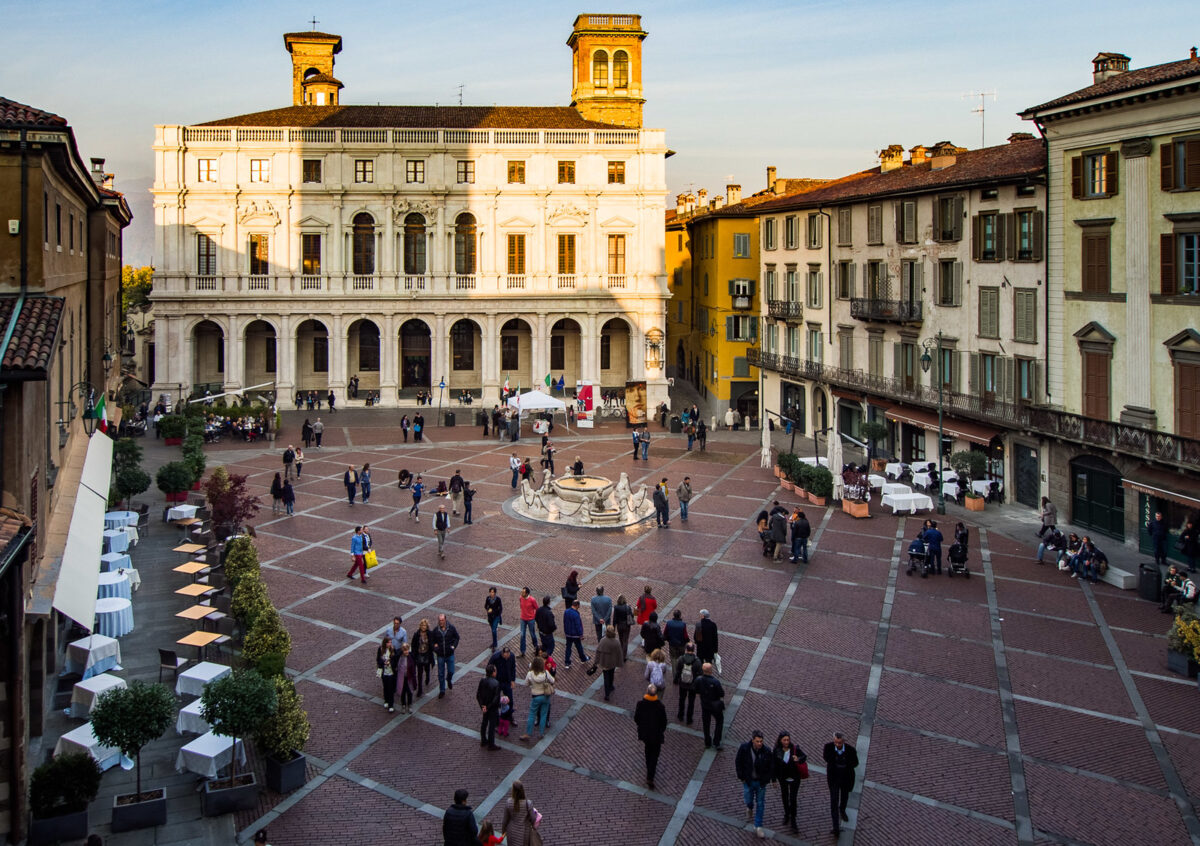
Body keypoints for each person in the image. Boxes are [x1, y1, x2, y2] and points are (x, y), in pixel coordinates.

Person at [737, 730, 775, 838]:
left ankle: (758, 826)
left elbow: (771, 766)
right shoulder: (744, 748)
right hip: (748, 781)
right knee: (748, 798)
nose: (759, 743)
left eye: (761, 741)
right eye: (757, 741)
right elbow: (738, 762)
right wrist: (741, 777)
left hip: (760, 782)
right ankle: (749, 807)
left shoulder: (767, 751)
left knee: (760, 803)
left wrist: (767, 779)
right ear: (753, 740)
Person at [634, 683, 668, 790]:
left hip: (645, 734)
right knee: (655, 754)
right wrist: (661, 730)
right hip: (656, 735)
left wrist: (641, 726)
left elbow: (636, 718)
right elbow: (664, 722)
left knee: (648, 750)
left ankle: (649, 768)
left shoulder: (640, 704)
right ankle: (650, 775)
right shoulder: (660, 706)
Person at [824, 732, 859, 836]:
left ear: (843, 741)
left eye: (839, 743)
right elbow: (826, 758)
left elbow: (855, 763)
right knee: (833, 801)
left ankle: (842, 810)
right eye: (835, 742)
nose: (837, 745)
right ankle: (835, 827)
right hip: (834, 779)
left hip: (845, 779)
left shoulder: (851, 750)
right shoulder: (828, 747)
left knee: (844, 796)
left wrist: (846, 763)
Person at [773, 731, 807, 833]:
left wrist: (798, 759)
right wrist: (774, 779)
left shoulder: (795, 749)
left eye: (788, 740)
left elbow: (804, 757)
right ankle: (786, 814)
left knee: (793, 798)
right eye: (784, 740)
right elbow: (774, 765)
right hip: (783, 778)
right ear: (780, 740)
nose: (787, 742)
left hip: (794, 778)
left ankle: (793, 819)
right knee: (784, 796)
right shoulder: (776, 750)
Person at [520, 657, 555, 741]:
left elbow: (526, 683)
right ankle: (541, 733)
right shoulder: (546, 673)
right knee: (543, 715)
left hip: (536, 697)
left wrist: (532, 686)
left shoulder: (530, 673)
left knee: (532, 714)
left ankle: (528, 733)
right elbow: (553, 680)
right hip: (545, 696)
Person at [693, 662, 725, 749]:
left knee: (706, 724)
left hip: (705, 705)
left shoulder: (698, 680)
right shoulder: (715, 682)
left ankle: (707, 742)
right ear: (711, 671)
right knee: (719, 721)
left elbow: (695, 689)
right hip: (715, 706)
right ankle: (716, 742)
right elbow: (721, 693)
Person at [500, 780, 541, 846]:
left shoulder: (508, 802)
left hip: (511, 832)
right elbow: (533, 818)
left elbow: (505, 820)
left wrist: (503, 831)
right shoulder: (528, 803)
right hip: (525, 832)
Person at [431, 613, 460, 698]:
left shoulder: (451, 628)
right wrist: (435, 648)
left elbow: (457, 637)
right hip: (440, 655)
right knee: (440, 674)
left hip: (449, 654)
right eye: (440, 620)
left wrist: (453, 646)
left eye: (442, 620)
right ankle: (442, 690)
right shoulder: (436, 630)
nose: (441, 622)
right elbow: (432, 641)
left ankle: (449, 679)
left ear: (445, 620)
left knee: (451, 671)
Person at [593, 625, 623, 701]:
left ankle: (607, 694)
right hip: (612, 663)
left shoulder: (603, 641)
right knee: (611, 674)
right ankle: (611, 686)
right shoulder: (616, 642)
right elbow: (619, 654)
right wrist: (620, 663)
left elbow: (598, 652)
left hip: (604, 663)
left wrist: (596, 662)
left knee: (606, 677)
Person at [476, 664, 501, 750]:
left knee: (484, 723)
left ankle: (483, 740)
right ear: (493, 672)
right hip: (492, 708)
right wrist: (489, 707)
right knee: (492, 725)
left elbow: (478, 695)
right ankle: (491, 744)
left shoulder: (482, 681)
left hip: (484, 706)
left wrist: (483, 706)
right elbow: (496, 698)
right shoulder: (496, 683)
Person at [675, 642, 701, 723]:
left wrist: (676, 679)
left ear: (686, 649)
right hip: (692, 685)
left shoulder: (681, 659)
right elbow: (700, 674)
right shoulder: (697, 661)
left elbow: (678, 671)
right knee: (691, 701)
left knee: (681, 699)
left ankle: (680, 715)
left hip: (683, 683)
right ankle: (689, 719)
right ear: (694, 650)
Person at [563, 600, 589, 668]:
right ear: (577, 605)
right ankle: (583, 659)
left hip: (568, 634)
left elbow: (564, 622)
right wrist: (581, 635)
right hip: (575, 635)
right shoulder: (576, 614)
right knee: (579, 647)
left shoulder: (566, 612)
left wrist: (566, 631)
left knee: (568, 648)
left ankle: (567, 662)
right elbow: (578, 625)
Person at [377, 635, 399, 713]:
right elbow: (378, 660)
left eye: (390, 642)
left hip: (391, 673)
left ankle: (391, 704)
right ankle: (386, 700)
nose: (390, 644)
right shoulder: (381, 649)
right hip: (384, 672)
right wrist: (383, 662)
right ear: (385, 643)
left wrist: (390, 663)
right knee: (385, 687)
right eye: (388, 642)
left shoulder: (393, 650)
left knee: (391, 689)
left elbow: (396, 660)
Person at [413, 618, 434, 696]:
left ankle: (428, 676)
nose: (423, 626)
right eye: (422, 625)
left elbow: (432, 643)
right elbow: (413, 644)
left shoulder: (430, 634)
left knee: (427, 668)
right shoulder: (417, 634)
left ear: (427, 626)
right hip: (419, 654)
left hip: (427, 654)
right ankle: (420, 689)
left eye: (424, 625)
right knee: (419, 672)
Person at [396, 642, 417, 714]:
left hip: (409, 678)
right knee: (402, 692)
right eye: (405, 650)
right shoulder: (399, 657)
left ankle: (410, 704)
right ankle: (403, 705)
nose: (406, 651)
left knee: (410, 691)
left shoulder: (411, 657)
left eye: (407, 650)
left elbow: (413, 668)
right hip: (401, 678)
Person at [518, 587, 539, 657]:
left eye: (523, 592)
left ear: (527, 593)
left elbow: (537, 608)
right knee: (522, 635)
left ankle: (536, 647)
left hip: (530, 619)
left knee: (532, 634)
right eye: (522, 592)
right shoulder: (521, 598)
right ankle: (522, 651)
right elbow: (521, 606)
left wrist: (534, 616)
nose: (522, 593)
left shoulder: (532, 600)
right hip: (523, 618)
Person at [614, 593, 635, 660]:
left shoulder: (616, 607)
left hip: (619, 625)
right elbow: (632, 616)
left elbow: (615, 618)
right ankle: (624, 656)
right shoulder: (628, 607)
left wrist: (613, 627)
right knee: (625, 640)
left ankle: (621, 651)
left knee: (621, 638)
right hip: (626, 625)